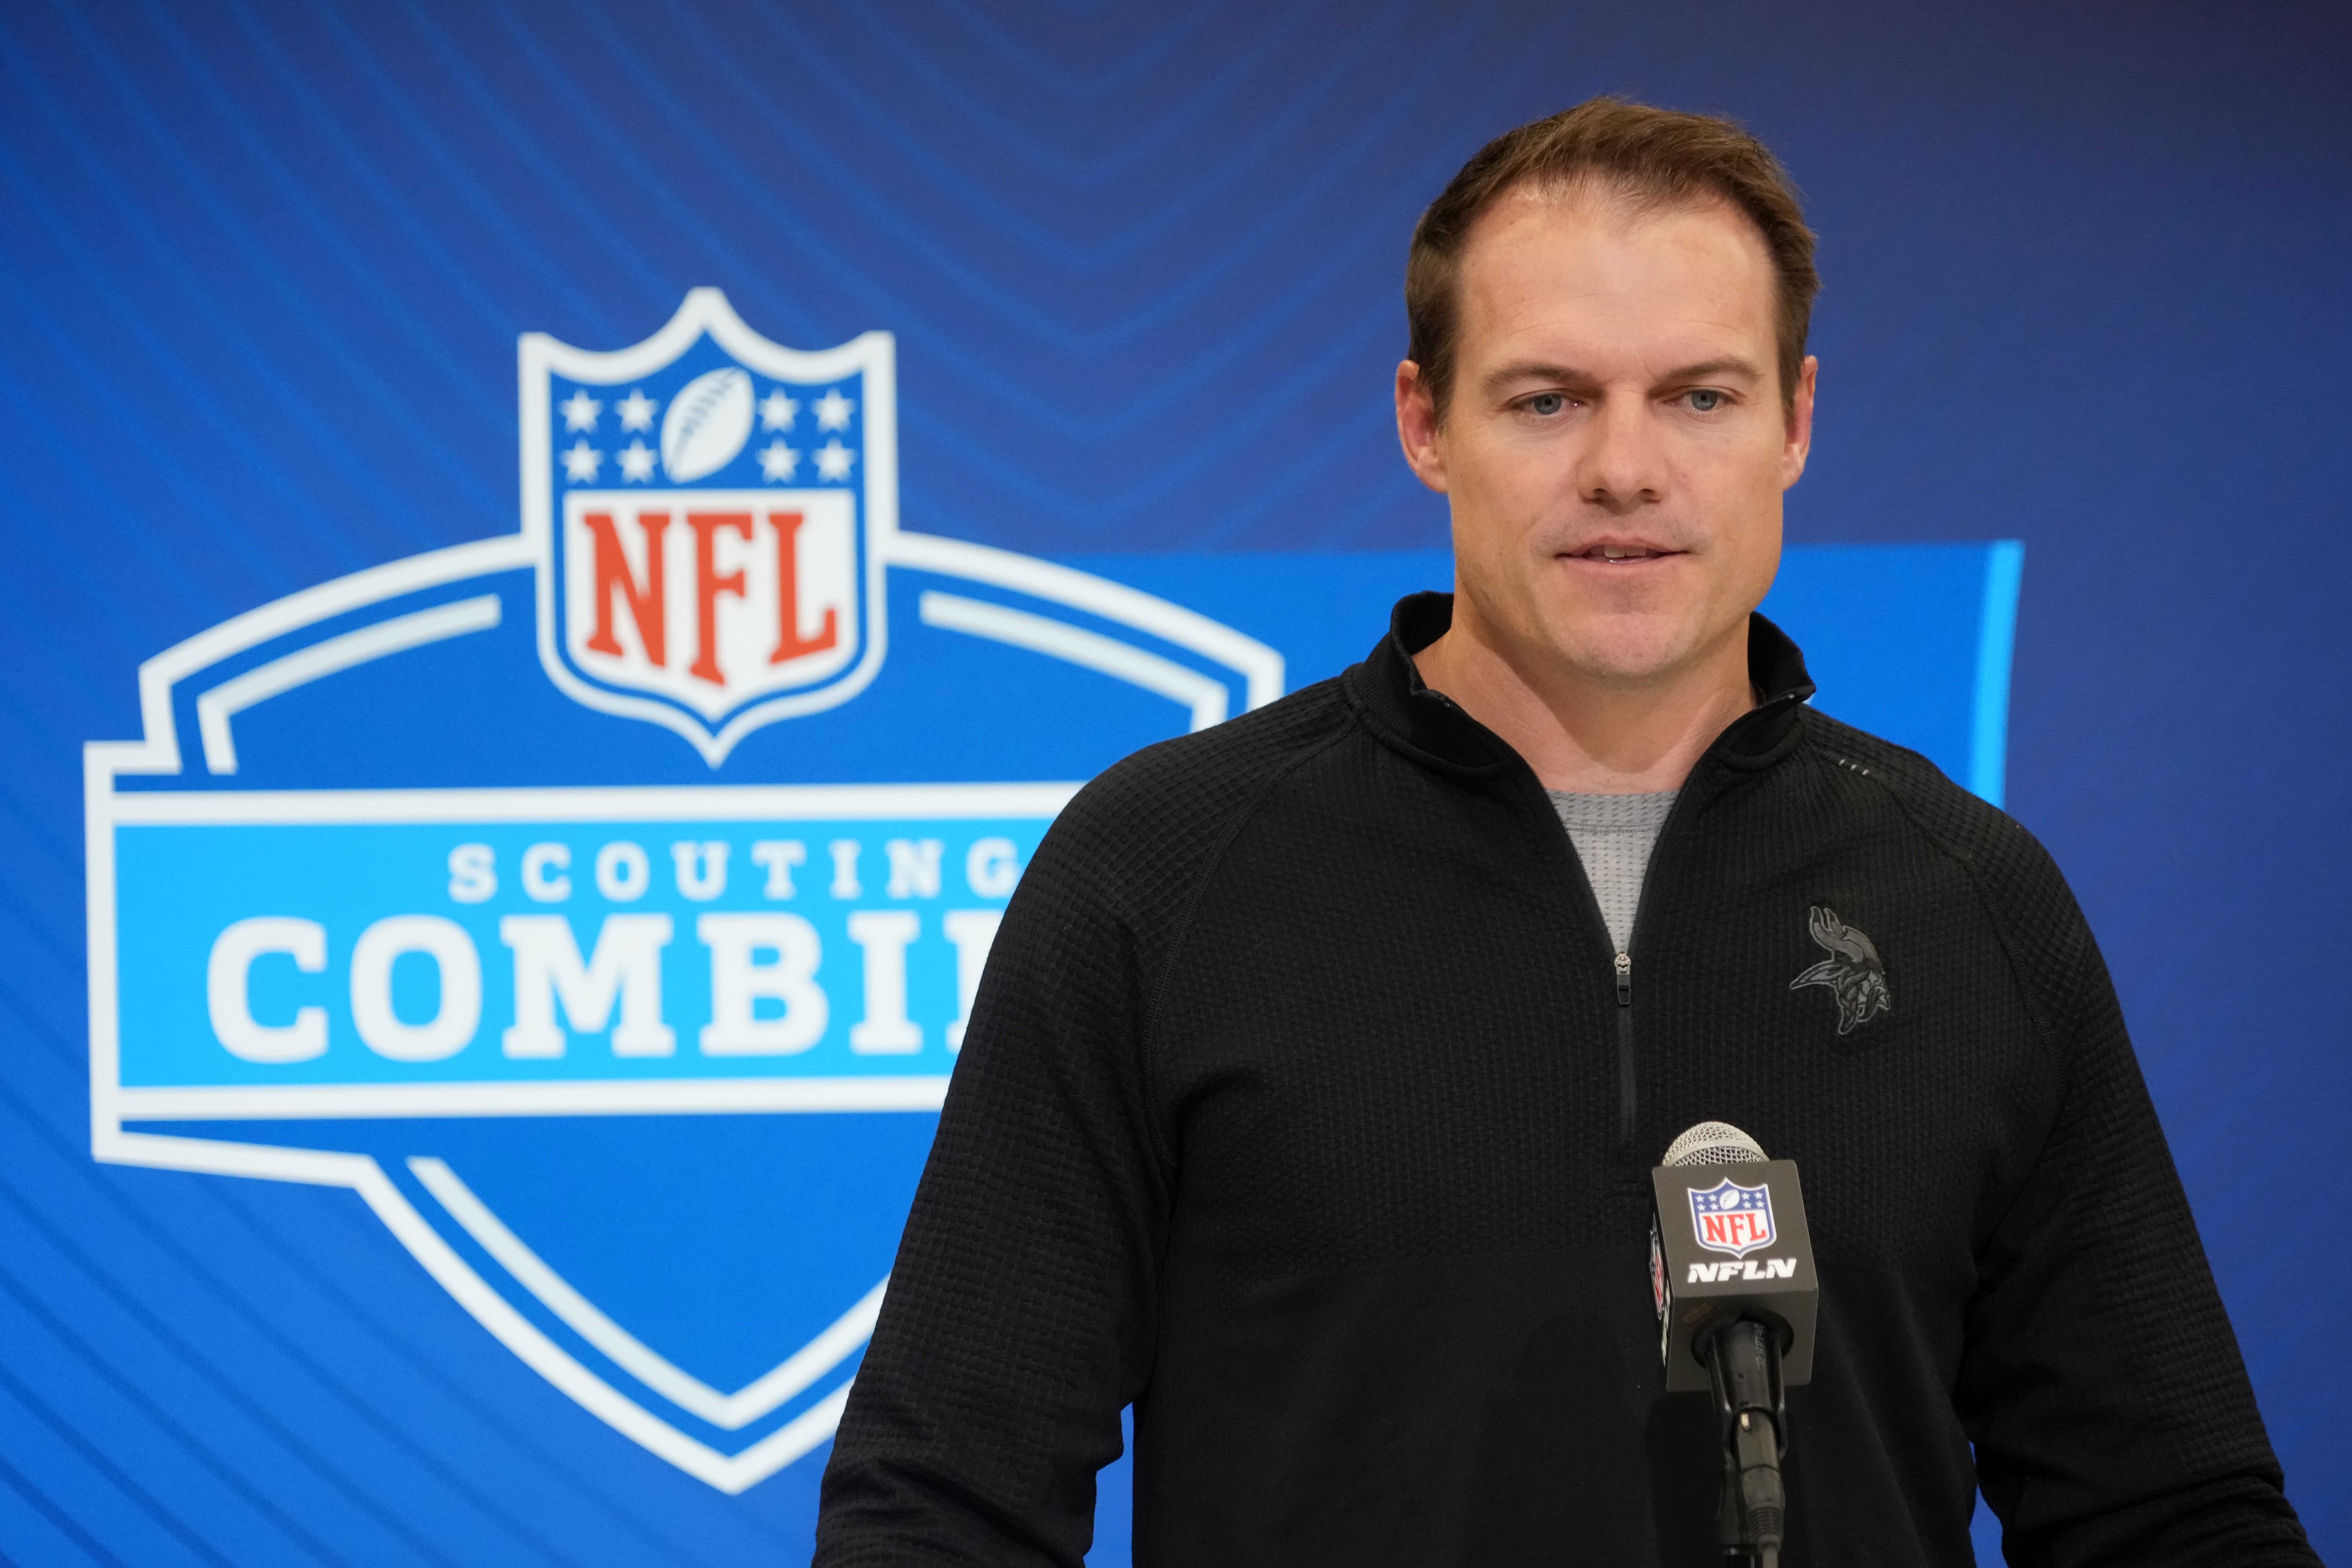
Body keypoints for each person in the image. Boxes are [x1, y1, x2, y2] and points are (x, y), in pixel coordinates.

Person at [814, 98, 2316, 1566]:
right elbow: (945, 1494)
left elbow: (2167, 1507)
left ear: (1795, 422)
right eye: (1548, 399)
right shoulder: (1162, 869)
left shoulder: (1969, 894)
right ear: (1425, 422)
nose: (1625, 467)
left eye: (1699, 395)